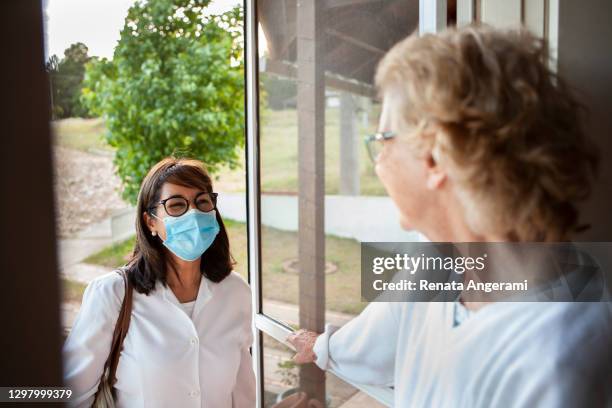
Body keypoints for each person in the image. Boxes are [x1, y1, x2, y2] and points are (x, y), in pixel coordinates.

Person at [288, 26, 612, 407]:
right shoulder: (444, 266)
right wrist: (324, 345)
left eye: (382, 142)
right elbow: (376, 340)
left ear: (434, 157)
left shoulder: (556, 366)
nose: (378, 165)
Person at [63, 157, 255, 407]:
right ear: (151, 221)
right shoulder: (113, 293)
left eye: (203, 202)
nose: (194, 214)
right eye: (176, 205)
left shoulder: (236, 292)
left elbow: (242, 395)